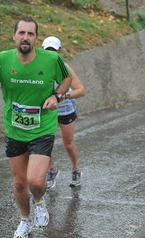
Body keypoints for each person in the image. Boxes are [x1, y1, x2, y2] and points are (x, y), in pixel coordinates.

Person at [0, 17, 72, 238]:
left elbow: (67, 78)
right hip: (14, 129)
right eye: (22, 33)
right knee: (19, 182)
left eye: (30, 34)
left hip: (42, 127)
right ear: (14, 36)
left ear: (36, 38)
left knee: (35, 181)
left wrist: (57, 96)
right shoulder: (3, 59)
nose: (25, 37)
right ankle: (25, 220)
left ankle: (39, 202)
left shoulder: (51, 59)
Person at [41, 36, 86, 188]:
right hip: (47, 109)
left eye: (54, 51)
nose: (51, 54)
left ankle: (75, 169)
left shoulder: (65, 68)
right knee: (44, 143)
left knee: (68, 144)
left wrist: (62, 96)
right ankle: (52, 169)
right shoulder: (38, 67)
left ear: (59, 51)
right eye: (48, 50)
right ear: (42, 50)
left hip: (65, 108)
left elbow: (81, 91)